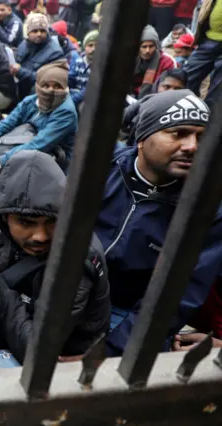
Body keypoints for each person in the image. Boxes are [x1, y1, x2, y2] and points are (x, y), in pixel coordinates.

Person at [94, 89, 222, 355]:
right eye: (179, 133)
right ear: (142, 138)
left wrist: (108, 351)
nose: (192, 147)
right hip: (73, 291)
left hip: (131, 312)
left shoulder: (208, 208)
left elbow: (177, 296)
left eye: (201, 136)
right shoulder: (100, 167)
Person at [0, 150, 110, 366]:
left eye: (52, 222)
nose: (40, 236)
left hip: (59, 355)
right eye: (26, 222)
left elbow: (36, 351)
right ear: (4, 216)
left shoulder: (78, 259)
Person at [0, 60, 78, 175]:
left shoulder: (66, 112)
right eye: (45, 85)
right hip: (32, 139)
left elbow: (40, 143)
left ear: (65, 88)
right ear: (38, 86)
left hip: (56, 154)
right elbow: (6, 124)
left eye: (57, 86)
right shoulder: (30, 102)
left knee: (6, 161)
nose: (51, 90)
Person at [121, 68, 188, 146]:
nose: (171, 92)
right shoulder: (146, 101)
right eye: (167, 87)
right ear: (158, 86)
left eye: (177, 89)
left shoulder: (186, 113)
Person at [12, 13, 65, 100]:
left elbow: (47, 81)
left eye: (42, 31)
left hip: (38, 96)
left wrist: (20, 71)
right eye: (35, 31)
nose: (39, 34)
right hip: (20, 90)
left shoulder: (55, 52)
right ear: (28, 33)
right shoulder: (24, 44)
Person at [184, 0, 222, 108]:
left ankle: (209, 118)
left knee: (217, 90)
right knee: (186, 76)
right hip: (209, 39)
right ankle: (185, 108)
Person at [132, 25, 176, 99]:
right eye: (144, 47)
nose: (147, 51)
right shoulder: (132, 59)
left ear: (156, 46)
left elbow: (166, 87)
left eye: (151, 46)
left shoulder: (167, 62)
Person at [69, 29, 98, 107]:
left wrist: (72, 100)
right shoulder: (78, 61)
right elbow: (71, 78)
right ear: (85, 47)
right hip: (74, 93)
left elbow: (89, 89)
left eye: (97, 46)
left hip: (87, 100)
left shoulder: (99, 66)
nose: (94, 49)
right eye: (90, 45)